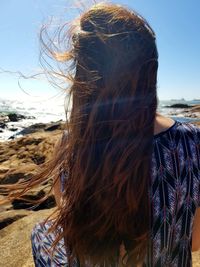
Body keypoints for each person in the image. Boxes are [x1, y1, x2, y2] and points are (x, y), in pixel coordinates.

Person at [1, 3, 200, 267]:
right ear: (150, 71)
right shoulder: (192, 142)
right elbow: (194, 242)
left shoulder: (71, 147)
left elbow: (72, 230)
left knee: (41, 234)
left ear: (83, 78)